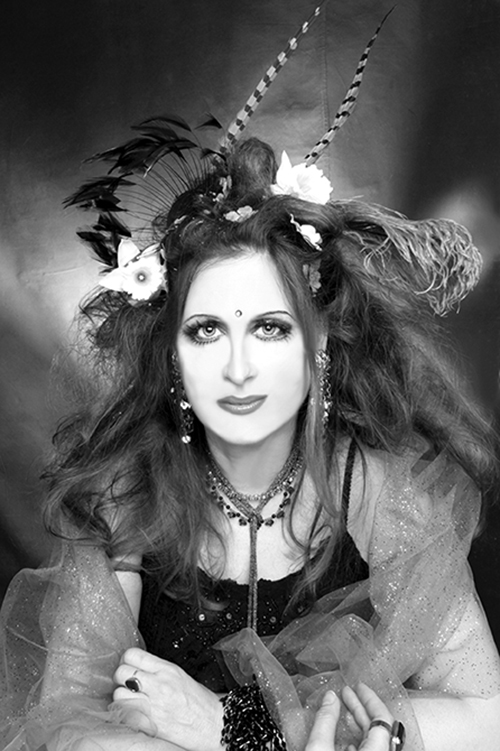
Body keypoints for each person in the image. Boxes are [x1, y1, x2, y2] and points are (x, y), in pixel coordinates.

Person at [2, 9, 500, 751]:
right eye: (207, 330)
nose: (237, 368)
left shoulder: (375, 490)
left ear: (318, 345)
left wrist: (236, 730)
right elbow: (66, 729)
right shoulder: (130, 495)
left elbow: (489, 714)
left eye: (270, 327)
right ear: (173, 357)